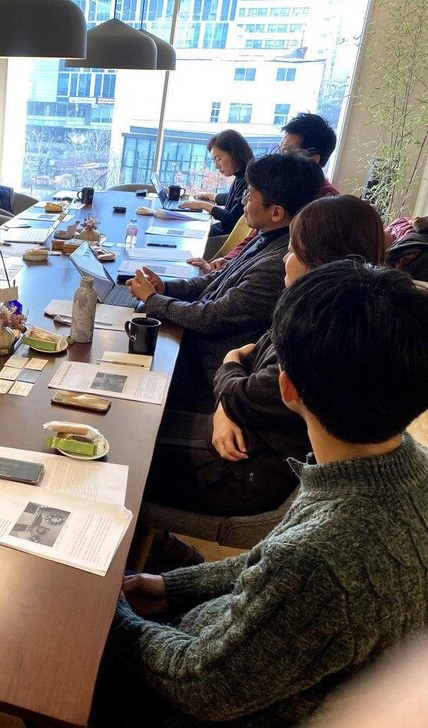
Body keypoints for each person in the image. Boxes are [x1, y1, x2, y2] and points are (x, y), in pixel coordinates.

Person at [103, 260, 428, 727]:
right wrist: (169, 586)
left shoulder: (324, 560)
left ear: (287, 387)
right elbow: (274, 562)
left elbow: (202, 687)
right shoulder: (401, 465)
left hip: (200, 695)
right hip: (234, 648)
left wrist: (112, 617)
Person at [144, 196, 385, 521]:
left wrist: (229, 396)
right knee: (140, 423)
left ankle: (157, 551)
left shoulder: (321, 339)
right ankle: (158, 545)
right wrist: (227, 398)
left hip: (244, 469)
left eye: (293, 250)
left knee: (122, 455)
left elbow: (243, 389)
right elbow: (245, 355)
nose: (284, 258)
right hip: (237, 436)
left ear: (318, 259)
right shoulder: (314, 308)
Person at [127, 153, 323, 411]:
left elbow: (212, 317)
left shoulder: (277, 264)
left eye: (250, 195)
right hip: (193, 347)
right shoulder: (267, 236)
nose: (243, 201)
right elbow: (216, 280)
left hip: (204, 372)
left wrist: (154, 301)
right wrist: (165, 287)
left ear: (276, 212)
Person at [191, 113, 340, 274]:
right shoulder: (280, 185)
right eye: (281, 149)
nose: (279, 157)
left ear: (313, 159)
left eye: (286, 152)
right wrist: (228, 261)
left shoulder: (327, 209)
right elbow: (256, 236)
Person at [179, 129, 253, 237]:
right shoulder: (241, 176)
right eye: (214, 161)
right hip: (223, 232)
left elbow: (232, 218)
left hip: (224, 238)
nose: (216, 166)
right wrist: (209, 195)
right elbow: (233, 198)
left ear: (235, 153)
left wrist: (204, 205)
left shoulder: (248, 180)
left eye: (218, 159)